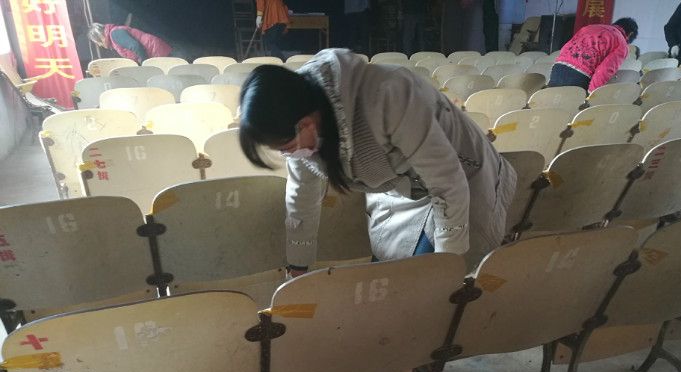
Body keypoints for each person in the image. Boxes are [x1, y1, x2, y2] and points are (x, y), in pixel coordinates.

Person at [238, 48, 517, 279]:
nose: (289, 155)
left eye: (287, 148)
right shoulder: (297, 120)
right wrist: (298, 266)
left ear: (305, 124)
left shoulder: (388, 95)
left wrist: (446, 268)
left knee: (427, 285)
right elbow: (302, 196)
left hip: (462, 176)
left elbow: (448, 184)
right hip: (401, 185)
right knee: (387, 281)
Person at [548, 18, 638, 93]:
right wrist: (592, 94)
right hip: (580, 76)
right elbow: (604, 70)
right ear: (630, 34)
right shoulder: (621, 42)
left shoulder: (588, 28)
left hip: (557, 69)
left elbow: (565, 48)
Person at [87, 23, 172, 63]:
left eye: (97, 43)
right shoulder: (114, 37)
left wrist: (145, 64)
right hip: (155, 52)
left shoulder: (115, 34)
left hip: (157, 52)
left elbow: (136, 46)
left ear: (102, 37)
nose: (99, 45)